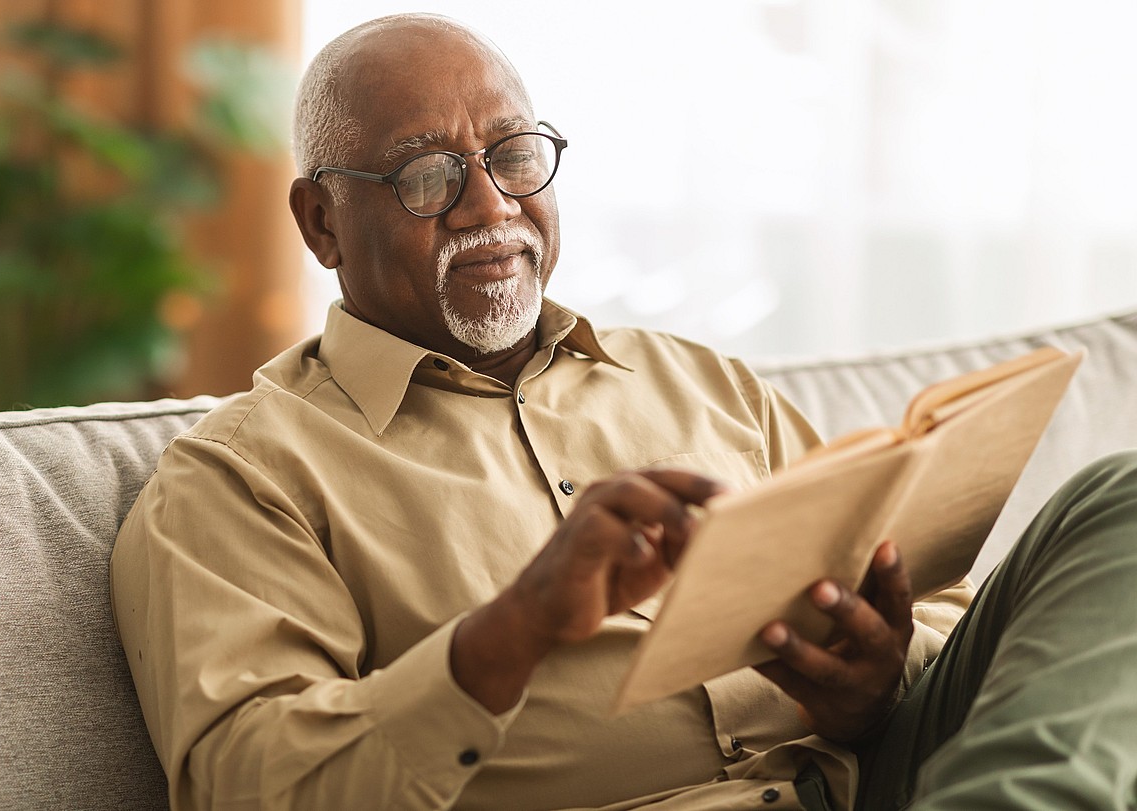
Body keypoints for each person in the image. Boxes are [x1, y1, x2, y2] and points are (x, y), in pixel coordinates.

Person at [110, 13, 1137, 811]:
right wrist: (509, 631)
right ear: (322, 220)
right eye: (428, 175)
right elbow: (249, 782)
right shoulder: (243, 475)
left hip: (896, 776)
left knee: (1122, 499)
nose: (491, 206)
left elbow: (927, 612)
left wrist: (878, 677)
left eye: (513, 153)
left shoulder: (695, 381)